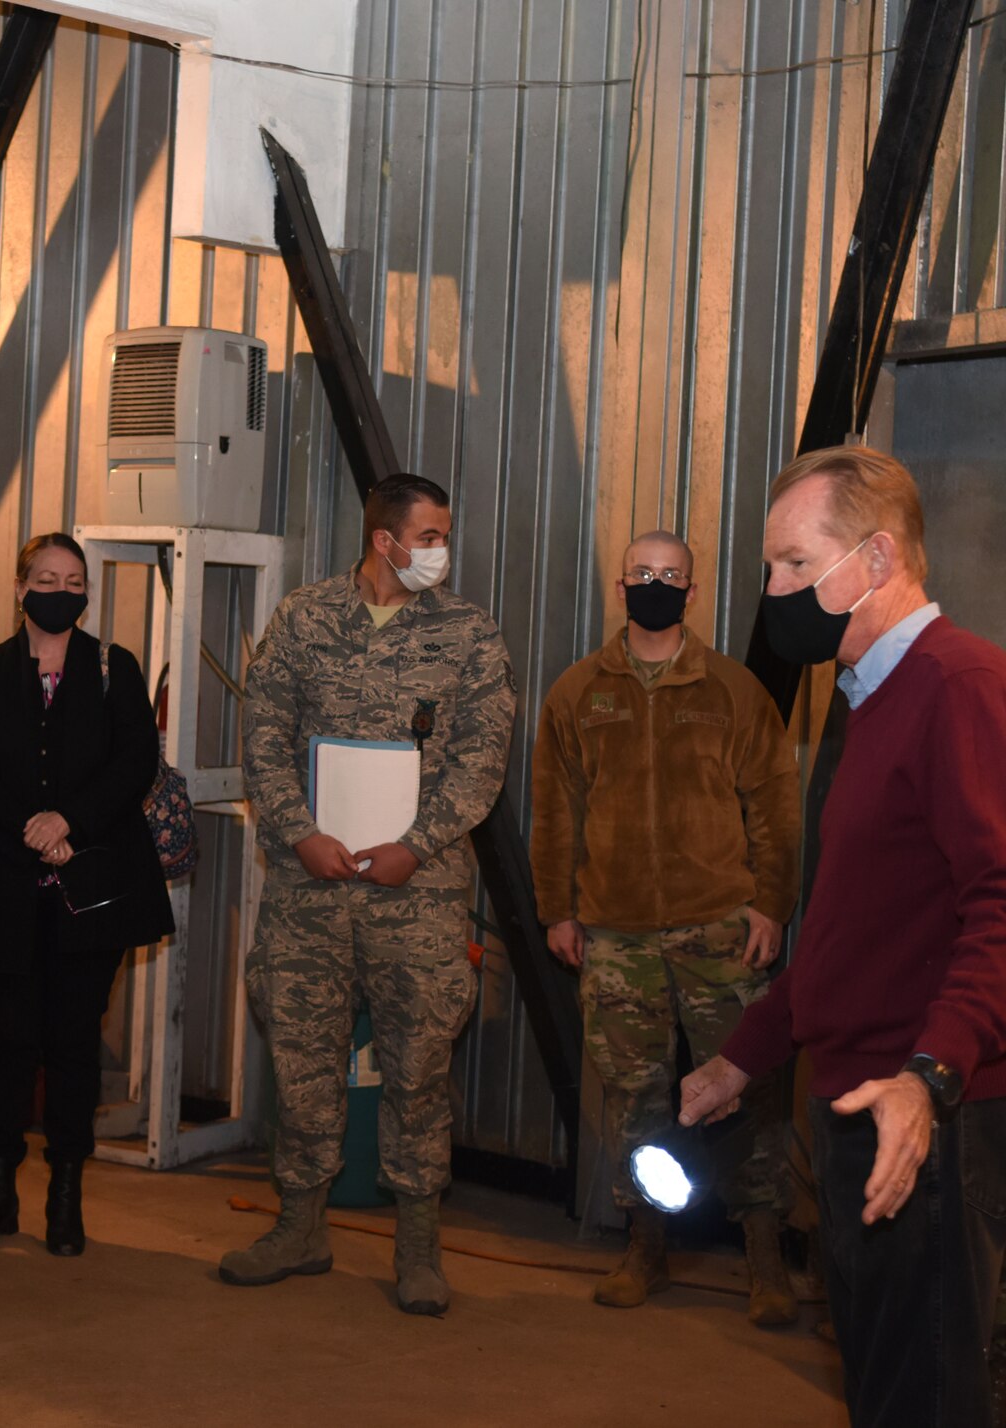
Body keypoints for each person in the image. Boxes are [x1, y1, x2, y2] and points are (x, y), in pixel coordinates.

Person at [682, 447, 1006, 1427]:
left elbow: (999, 903)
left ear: (871, 558)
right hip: (853, 1100)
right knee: (879, 1384)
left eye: (790, 564)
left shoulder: (957, 688)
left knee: (928, 1390)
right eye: (767, 570)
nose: (772, 592)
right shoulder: (869, 696)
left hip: (922, 1118)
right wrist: (745, 1057)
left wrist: (927, 1077)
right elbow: (849, 922)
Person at [222, 472, 515, 1315]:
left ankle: (418, 1248)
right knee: (304, 1060)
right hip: (310, 893)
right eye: (428, 537)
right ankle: (300, 1228)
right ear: (384, 541)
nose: (440, 551)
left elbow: (481, 761)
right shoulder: (305, 618)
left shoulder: (467, 633)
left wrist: (416, 847)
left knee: (419, 1069)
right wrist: (298, 833)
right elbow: (264, 732)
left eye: (445, 536)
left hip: (417, 896)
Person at [530, 530, 801, 1323]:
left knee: (747, 1091)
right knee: (634, 1097)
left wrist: (773, 905)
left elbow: (776, 805)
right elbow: (555, 812)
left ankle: (765, 1260)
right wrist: (558, 909)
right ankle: (645, 1246)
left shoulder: (731, 691)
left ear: (692, 592)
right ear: (622, 588)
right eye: (643, 574)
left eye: (671, 576)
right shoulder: (579, 692)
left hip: (720, 929)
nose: (657, 584)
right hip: (614, 934)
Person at [0, 533, 174, 1256]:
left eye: (74, 580)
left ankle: (66, 1197)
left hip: (88, 887)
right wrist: (29, 831)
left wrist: (70, 821)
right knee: (8, 1043)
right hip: (1, 886)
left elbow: (136, 761)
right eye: (46, 577)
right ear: (19, 587)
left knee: (74, 1044)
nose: (60, 589)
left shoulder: (114, 669)